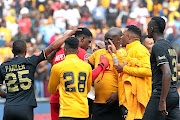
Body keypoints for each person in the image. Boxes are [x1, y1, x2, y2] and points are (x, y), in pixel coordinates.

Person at [0, 28, 81, 120]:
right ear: (25, 51)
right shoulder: (30, 61)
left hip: (9, 107)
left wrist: (7, 95)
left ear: (12, 51)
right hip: (25, 108)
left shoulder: (3, 66)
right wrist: (68, 35)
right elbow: (51, 47)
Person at [49, 28, 109, 120]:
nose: (89, 46)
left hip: (56, 99)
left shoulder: (56, 52)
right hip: (75, 104)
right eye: (89, 42)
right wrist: (101, 66)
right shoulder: (81, 52)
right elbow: (89, 78)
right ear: (81, 39)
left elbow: (51, 87)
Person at [108, 25, 152, 119]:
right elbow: (119, 68)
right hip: (128, 102)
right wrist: (114, 54)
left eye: (122, 35)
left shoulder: (139, 49)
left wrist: (125, 69)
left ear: (129, 37)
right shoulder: (130, 50)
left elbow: (148, 71)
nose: (120, 37)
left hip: (137, 105)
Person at [142, 17, 180, 120]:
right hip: (173, 94)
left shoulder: (157, 46)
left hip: (161, 94)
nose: (147, 29)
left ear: (152, 28)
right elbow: (174, 70)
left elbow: (167, 73)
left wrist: (162, 100)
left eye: (148, 27)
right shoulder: (169, 45)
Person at [48, 37, 91, 119]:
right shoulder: (87, 66)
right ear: (77, 51)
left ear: (65, 50)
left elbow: (51, 90)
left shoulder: (58, 67)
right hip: (83, 112)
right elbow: (88, 89)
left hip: (67, 112)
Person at [88, 27, 124, 120]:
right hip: (98, 102)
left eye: (110, 39)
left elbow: (127, 78)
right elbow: (86, 66)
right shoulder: (98, 53)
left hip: (116, 103)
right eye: (105, 39)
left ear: (119, 39)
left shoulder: (124, 54)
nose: (106, 42)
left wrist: (118, 94)